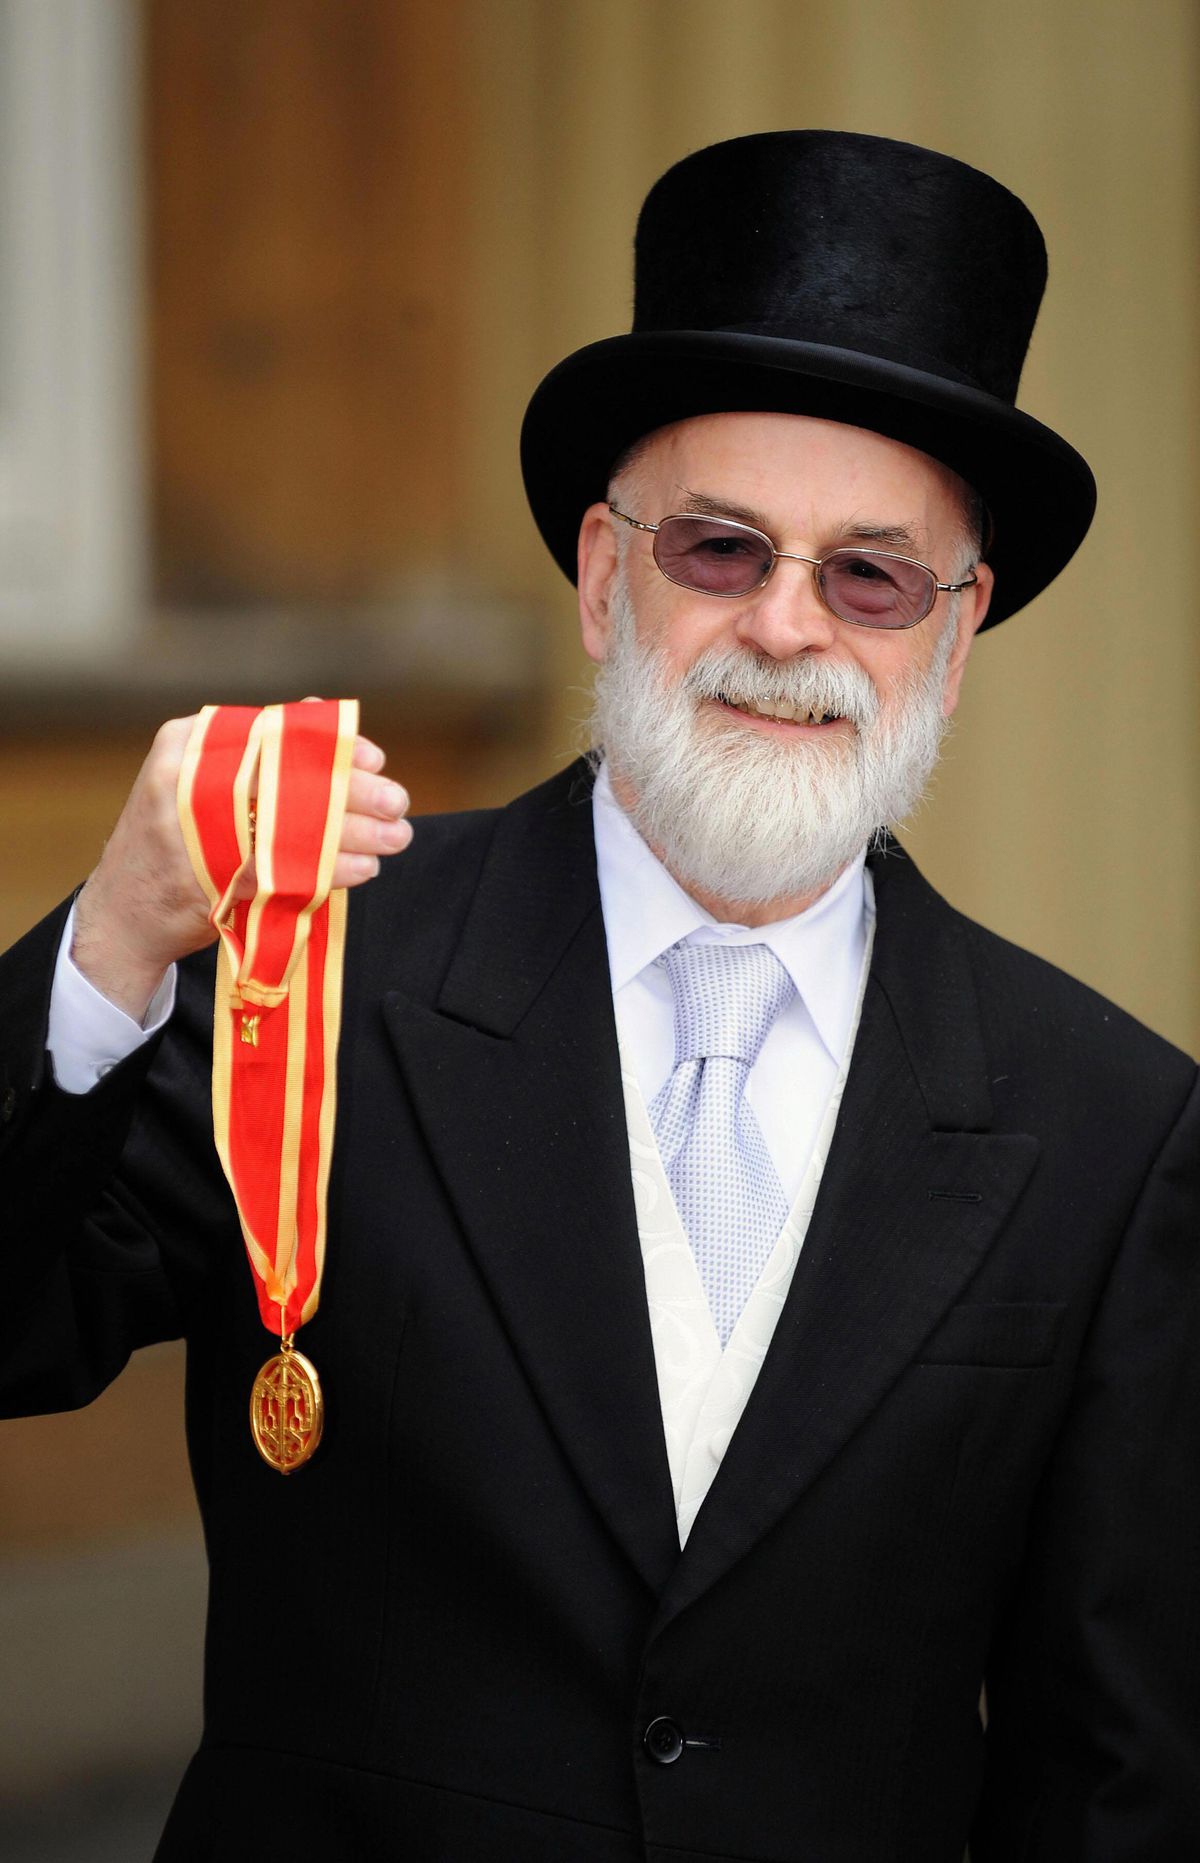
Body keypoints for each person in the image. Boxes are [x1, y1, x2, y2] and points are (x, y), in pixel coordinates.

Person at [1, 130, 1197, 1862]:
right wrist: (111, 944)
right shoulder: (308, 975)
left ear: (951, 636)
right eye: (720, 548)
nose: (788, 629)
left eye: (869, 576)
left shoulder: (1111, 1123)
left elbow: (1120, 1773)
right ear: (597, 573)